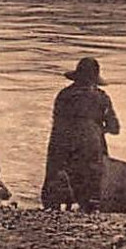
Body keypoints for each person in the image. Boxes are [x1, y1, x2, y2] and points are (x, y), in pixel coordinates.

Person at [41, 56, 120, 211]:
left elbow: (57, 122)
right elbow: (115, 128)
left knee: (56, 173)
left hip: (62, 141)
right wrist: (98, 129)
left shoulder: (64, 95)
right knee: (91, 182)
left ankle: (53, 205)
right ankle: (90, 205)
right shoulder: (102, 97)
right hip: (90, 144)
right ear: (94, 79)